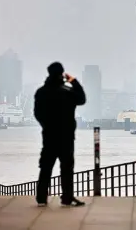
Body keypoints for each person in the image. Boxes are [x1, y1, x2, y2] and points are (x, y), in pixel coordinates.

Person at [34, 62, 86, 207]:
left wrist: (46, 126)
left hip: (49, 136)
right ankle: (67, 198)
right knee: (67, 168)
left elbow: (37, 113)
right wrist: (73, 81)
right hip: (66, 136)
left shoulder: (41, 92)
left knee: (45, 167)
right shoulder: (68, 92)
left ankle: (41, 198)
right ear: (62, 74)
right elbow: (82, 99)